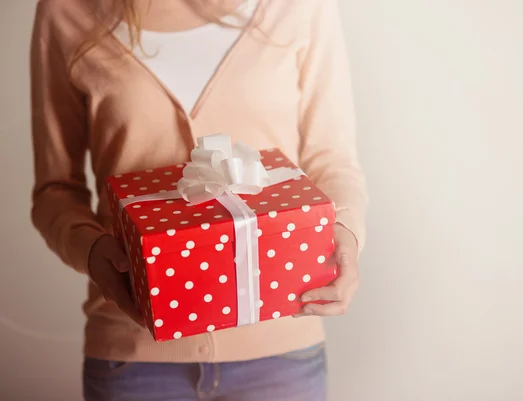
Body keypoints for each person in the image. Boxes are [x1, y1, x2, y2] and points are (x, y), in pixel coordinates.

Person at [29, 0, 367, 399]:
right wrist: (92, 250)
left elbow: (332, 161)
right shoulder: (67, 12)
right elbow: (55, 191)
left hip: (282, 349)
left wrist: (344, 233)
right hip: (134, 356)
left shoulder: (298, 8)